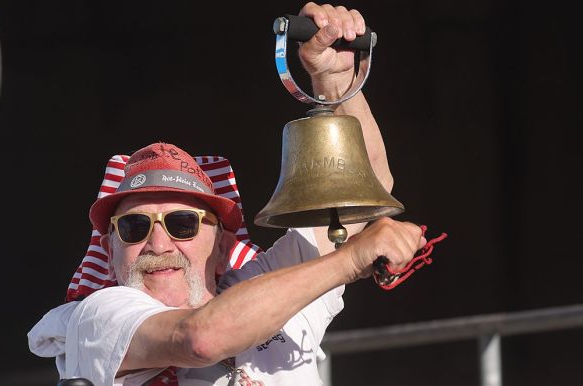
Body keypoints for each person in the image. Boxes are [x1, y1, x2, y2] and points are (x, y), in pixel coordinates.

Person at [28, 3, 430, 385]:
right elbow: (200, 339)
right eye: (133, 227)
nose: (157, 242)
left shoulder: (271, 284)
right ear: (111, 249)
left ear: (222, 244)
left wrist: (334, 80)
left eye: (182, 224)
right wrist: (351, 258)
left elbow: (364, 187)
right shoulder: (98, 317)